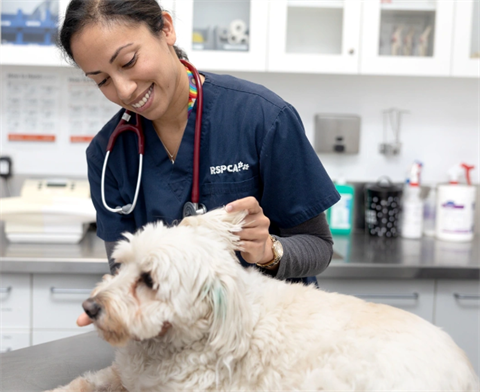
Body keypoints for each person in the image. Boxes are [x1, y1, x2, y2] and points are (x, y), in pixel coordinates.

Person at [58, 0, 340, 327]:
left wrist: (268, 250)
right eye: (102, 81)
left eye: (129, 61)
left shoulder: (261, 118)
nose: (124, 89)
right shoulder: (108, 154)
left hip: (275, 335)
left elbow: (319, 248)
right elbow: (124, 272)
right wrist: (114, 307)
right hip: (183, 344)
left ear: (166, 28)